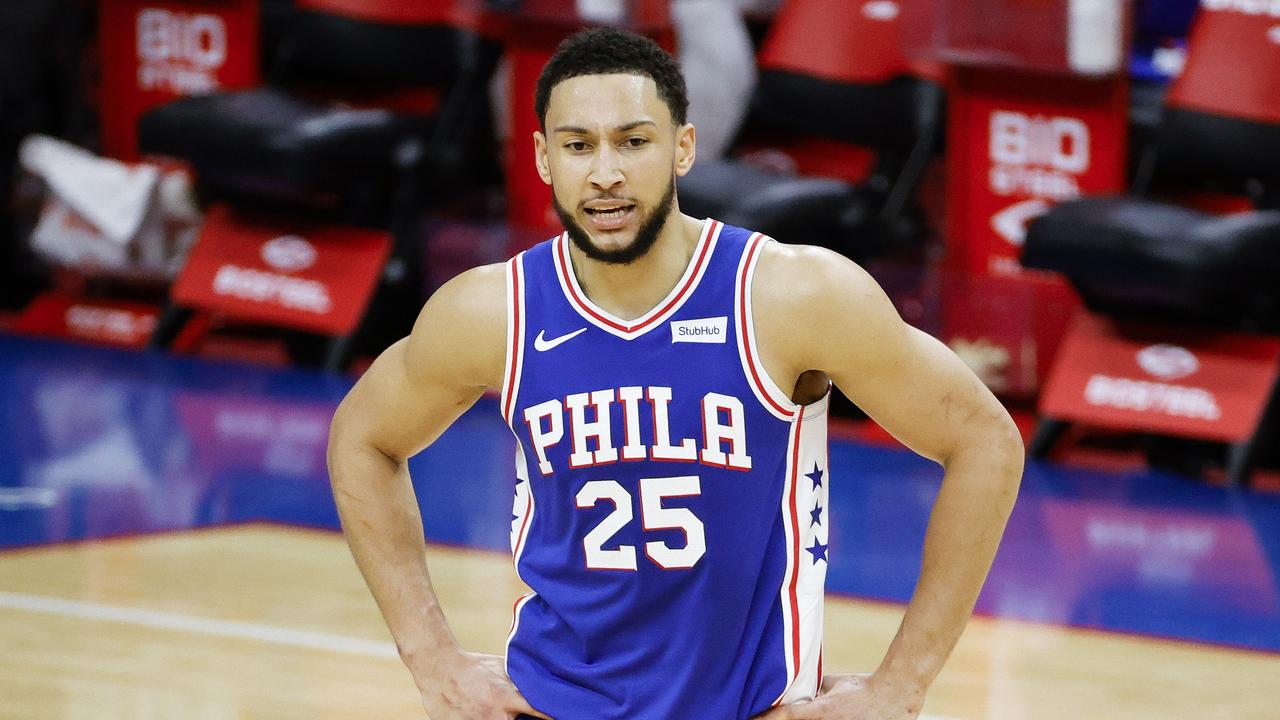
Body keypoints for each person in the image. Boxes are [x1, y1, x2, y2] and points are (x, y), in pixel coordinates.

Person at [327, 27, 1023, 720]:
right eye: (578, 145)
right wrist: (431, 659)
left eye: (633, 141)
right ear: (543, 158)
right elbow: (362, 437)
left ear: (684, 147)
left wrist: (902, 686)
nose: (606, 173)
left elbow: (984, 440)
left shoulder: (789, 296)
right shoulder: (493, 312)